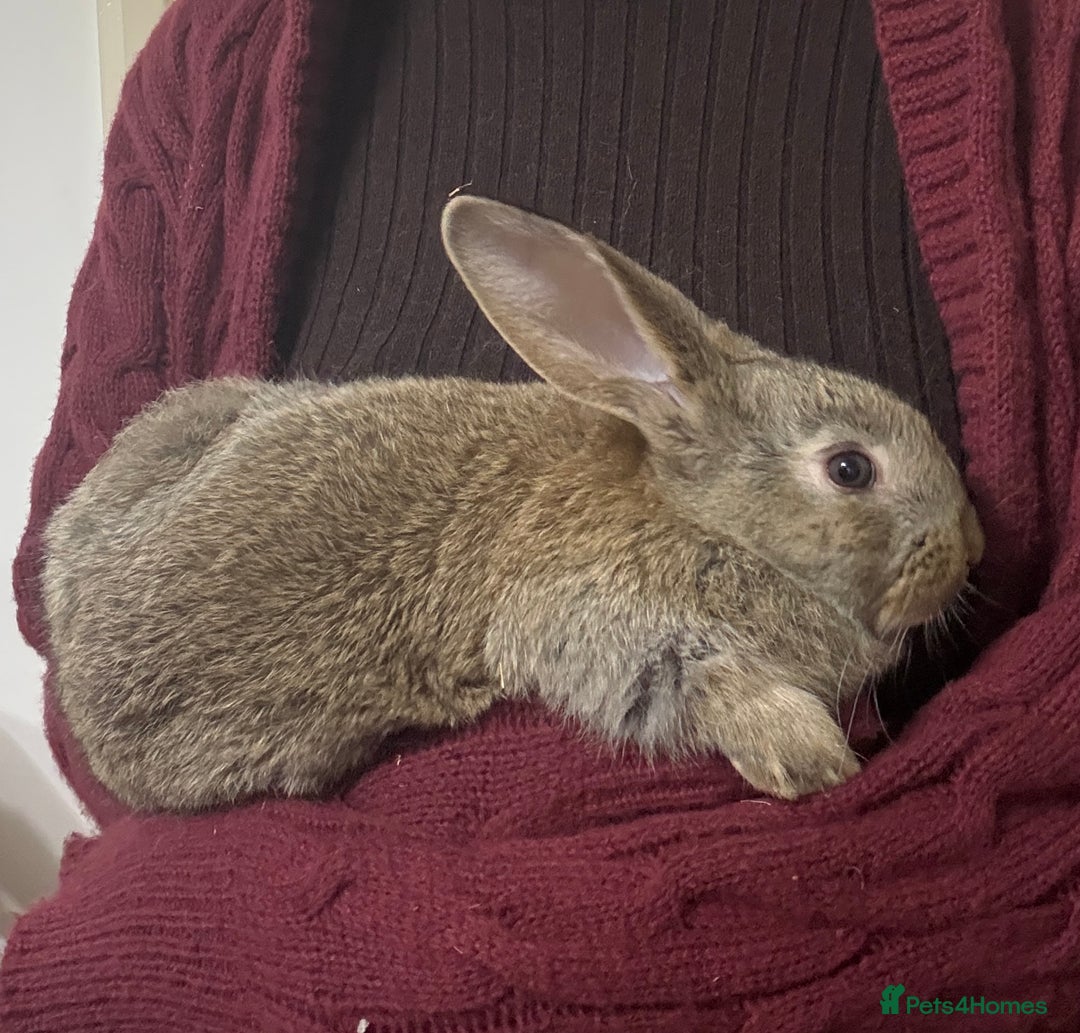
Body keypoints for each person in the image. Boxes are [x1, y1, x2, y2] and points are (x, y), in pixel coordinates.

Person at [4, 0, 1079, 1029]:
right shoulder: (209, 69)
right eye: (850, 471)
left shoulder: (1039, 54)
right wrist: (742, 697)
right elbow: (566, 621)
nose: (965, 537)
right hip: (224, 827)